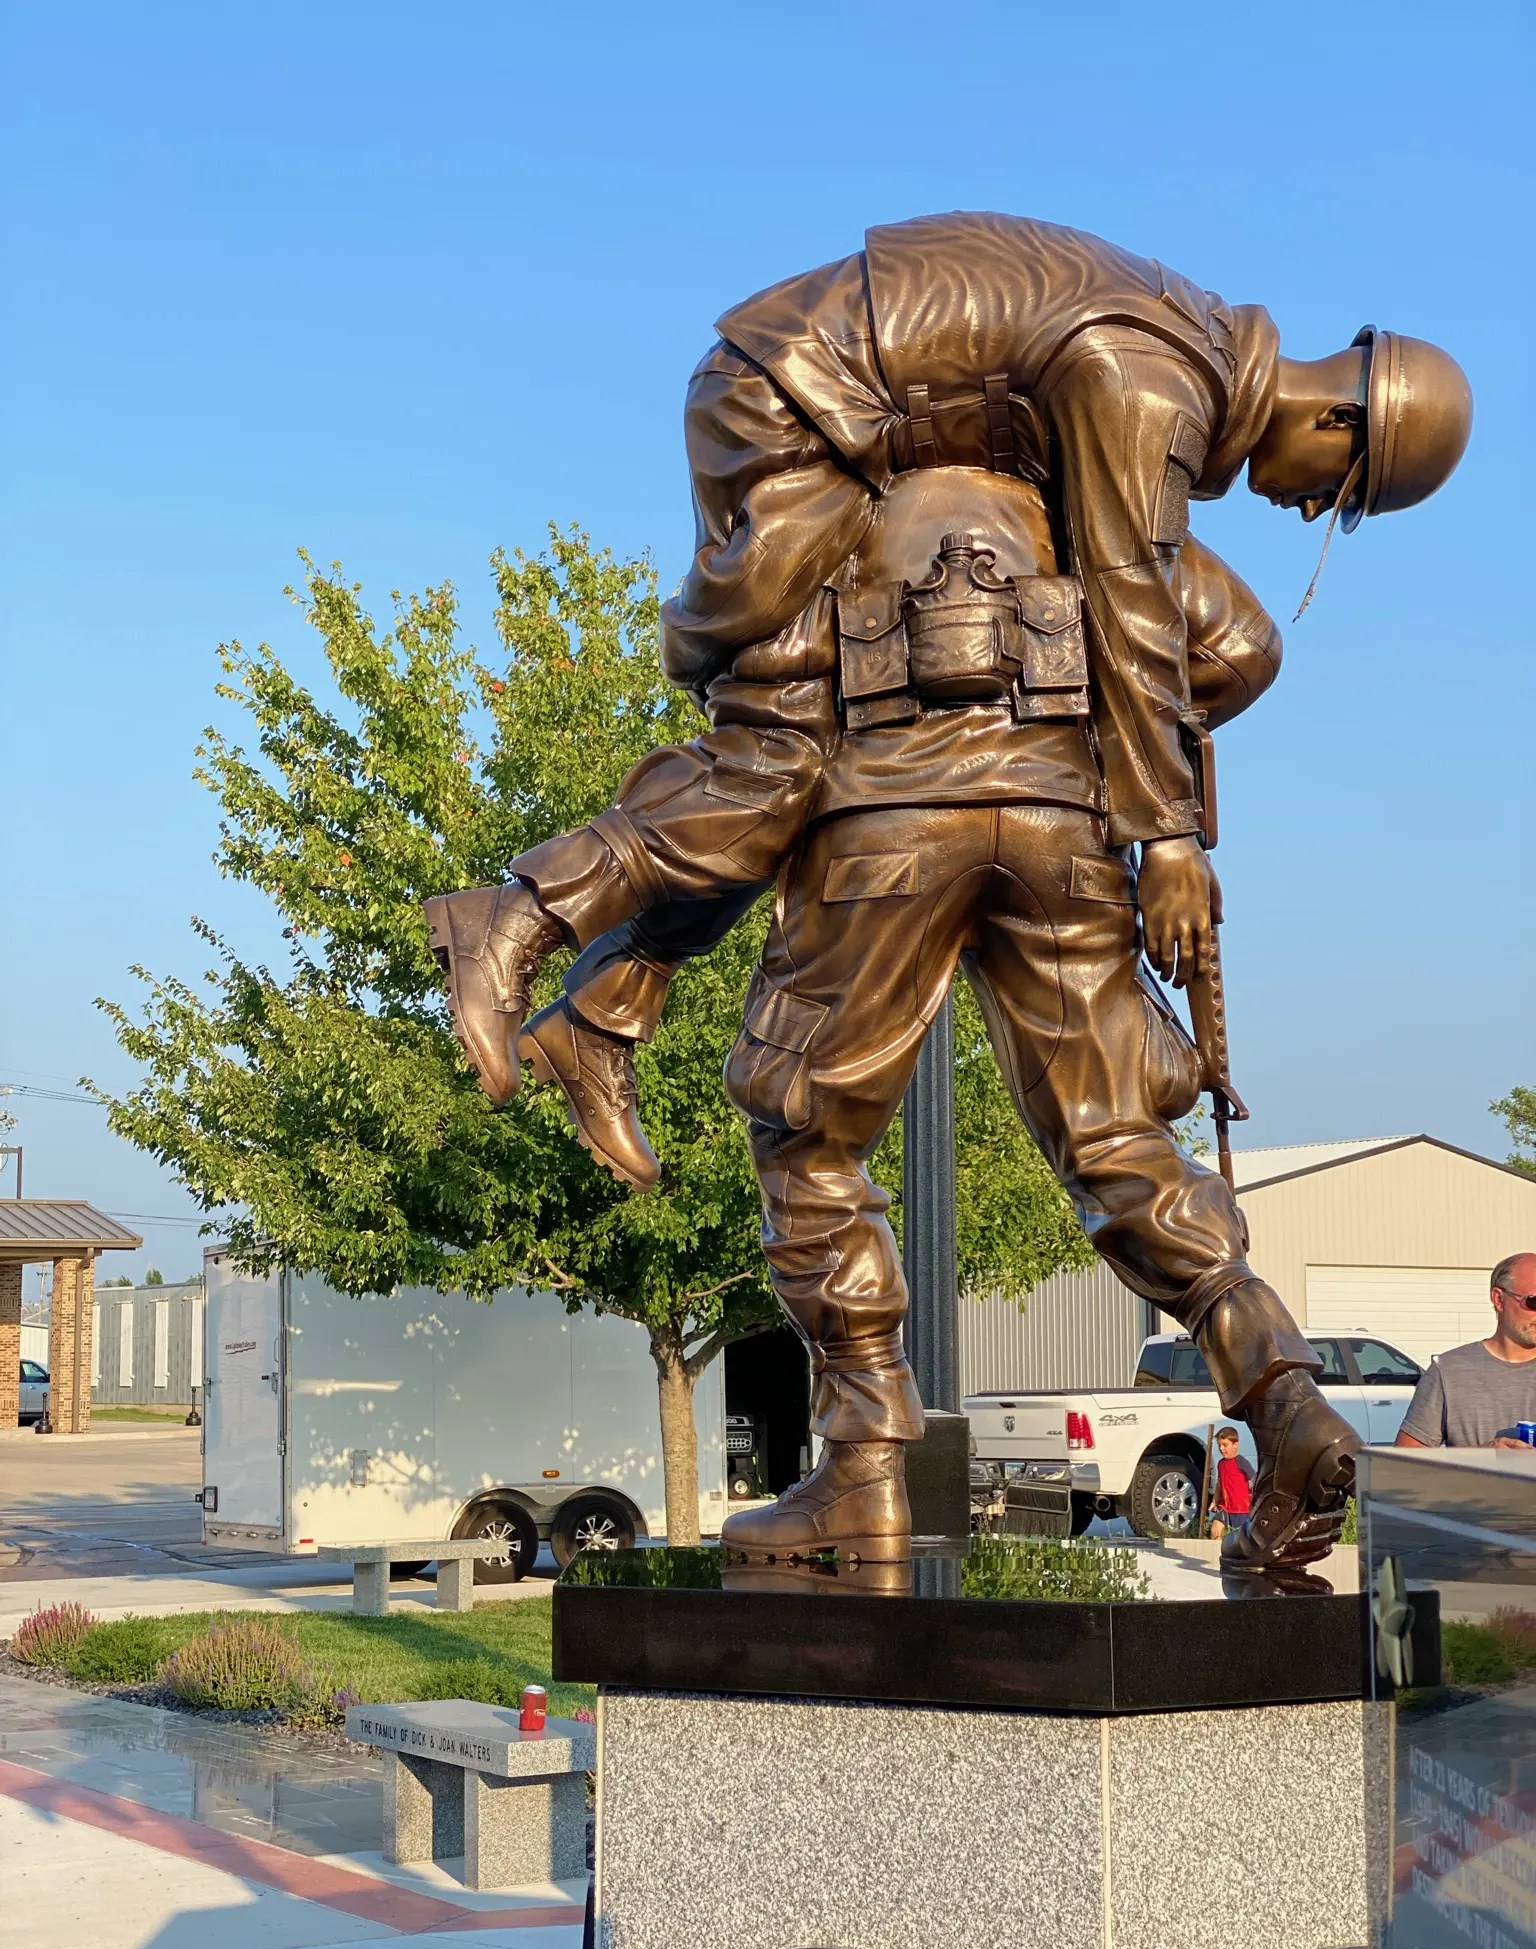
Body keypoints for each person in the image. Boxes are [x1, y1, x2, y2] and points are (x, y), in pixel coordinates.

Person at [426, 212, 1471, 1570]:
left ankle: (860, 1459)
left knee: (805, 1086)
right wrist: (1158, 832)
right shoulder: (1148, 374)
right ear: (1340, 425)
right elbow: (1153, 601)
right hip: (786, 399)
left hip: (898, 817)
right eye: (1326, 496)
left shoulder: (1095, 399)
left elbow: (1177, 614)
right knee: (1119, 1142)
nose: (1294, 510)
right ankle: (1278, 1393)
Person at [1395, 1254, 1536, 1450]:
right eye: (1533, 1302)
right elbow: (1405, 1462)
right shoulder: (1449, 1371)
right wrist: (1483, 1455)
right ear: (1499, 1299)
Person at [1208, 1426, 1256, 1540]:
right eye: (1219, 1445)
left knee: (1241, 1540)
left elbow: (1254, 1480)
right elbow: (1219, 1483)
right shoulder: (1221, 1464)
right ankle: (1216, 1554)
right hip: (1226, 1507)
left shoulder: (1241, 1462)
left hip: (1241, 1509)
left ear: (1235, 1444)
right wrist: (1214, 1501)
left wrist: (1253, 1502)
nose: (1221, 1448)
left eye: (1225, 1445)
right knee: (1215, 1527)